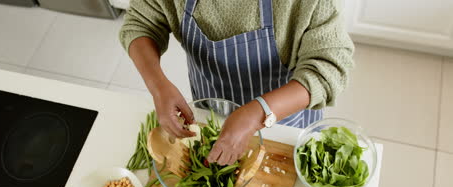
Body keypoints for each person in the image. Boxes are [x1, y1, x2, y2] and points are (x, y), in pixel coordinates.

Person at [119, 0, 354, 166]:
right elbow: (141, 22)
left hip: (284, 123)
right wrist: (158, 86)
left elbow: (329, 67)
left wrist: (257, 113)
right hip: (210, 116)